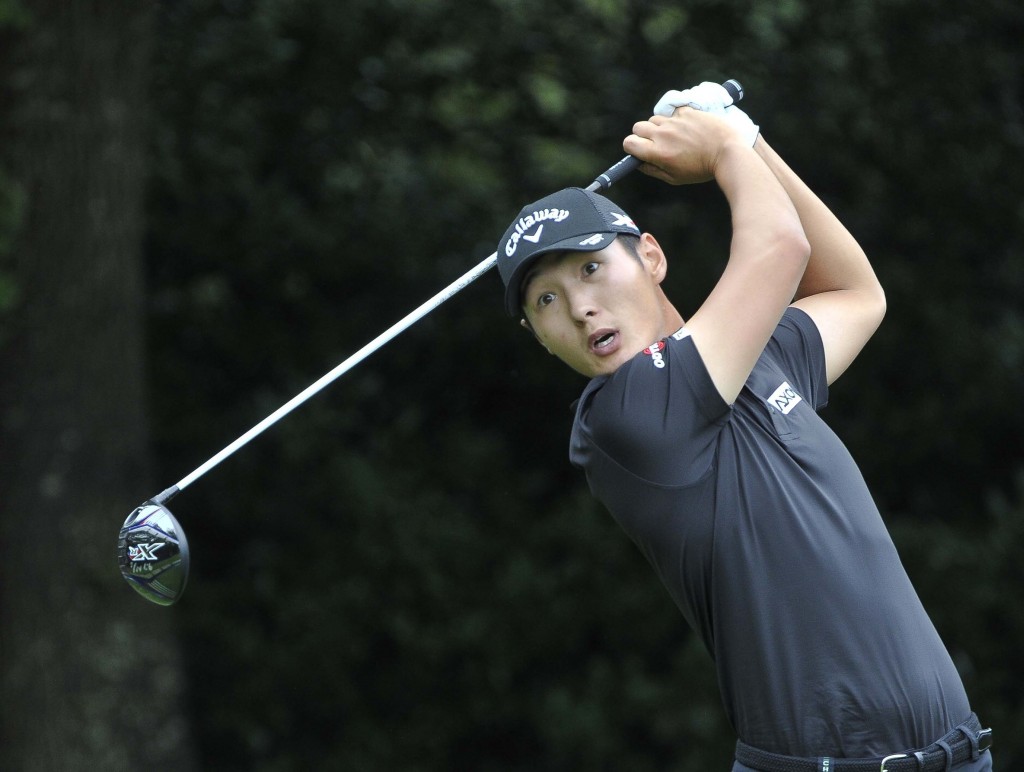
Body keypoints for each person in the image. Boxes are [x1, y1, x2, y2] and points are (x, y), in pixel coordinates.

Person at [495, 82, 993, 772]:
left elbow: (855, 294)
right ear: (538, 337)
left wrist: (749, 138)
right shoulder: (626, 417)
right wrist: (729, 145)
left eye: (590, 268)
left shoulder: (760, 362)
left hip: (961, 754)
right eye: (547, 299)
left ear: (651, 256)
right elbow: (779, 248)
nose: (581, 307)